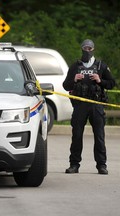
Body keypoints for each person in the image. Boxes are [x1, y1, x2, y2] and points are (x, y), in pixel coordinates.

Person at [63, 39, 115, 175]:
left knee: (99, 136)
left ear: (93, 49)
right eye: (85, 48)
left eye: (89, 48)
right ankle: (74, 165)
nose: (87, 51)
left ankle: (101, 165)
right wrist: (74, 79)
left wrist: (100, 80)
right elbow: (65, 85)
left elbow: (111, 83)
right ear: (81, 49)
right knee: (77, 136)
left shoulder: (101, 66)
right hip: (80, 105)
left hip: (96, 105)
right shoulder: (75, 66)